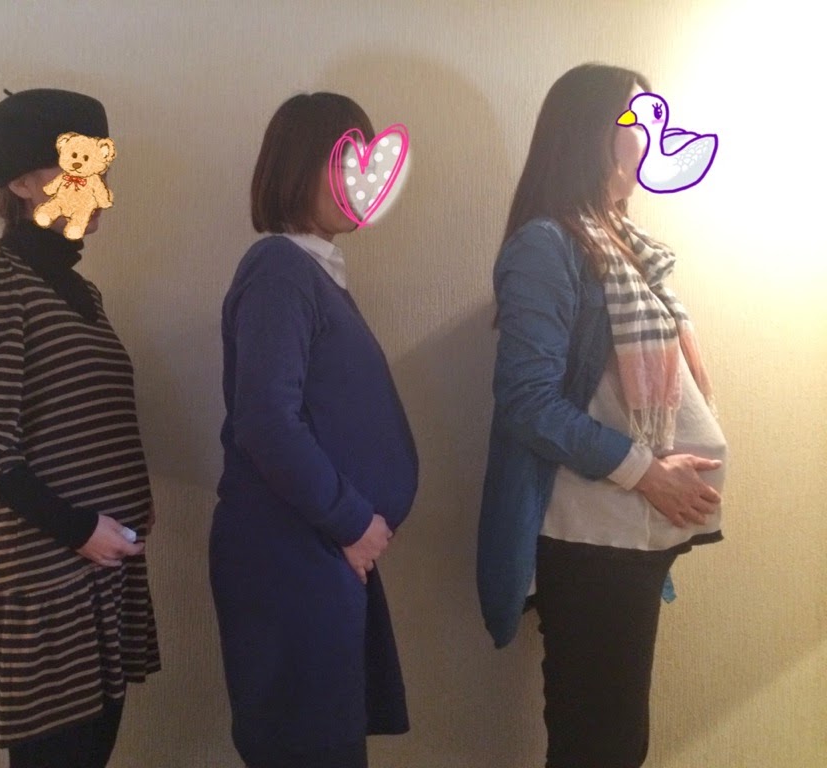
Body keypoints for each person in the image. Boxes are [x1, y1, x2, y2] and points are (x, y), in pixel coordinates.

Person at [476, 63, 726, 768]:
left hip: (629, 536)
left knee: (612, 742)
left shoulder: (625, 245)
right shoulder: (547, 245)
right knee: (601, 746)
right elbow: (527, 402)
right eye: (638, 119)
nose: (656, 136)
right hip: (590, 538)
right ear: (591, 134)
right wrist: (648, 472)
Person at [0, 88, 159, 768]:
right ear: (22, 182)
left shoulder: (84, 294)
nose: (101, 190)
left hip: (100, 578)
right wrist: (78, 528)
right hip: (47, 580)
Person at [210, 92, 419, 768]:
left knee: (327, 741)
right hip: (292, 554)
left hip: (316, 547)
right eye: (344, 163)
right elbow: (266, 419)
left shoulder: (313, 274)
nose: (361, 184)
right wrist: (353, 520)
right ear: (298, 167)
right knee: (309, 748)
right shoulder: (280, 269)